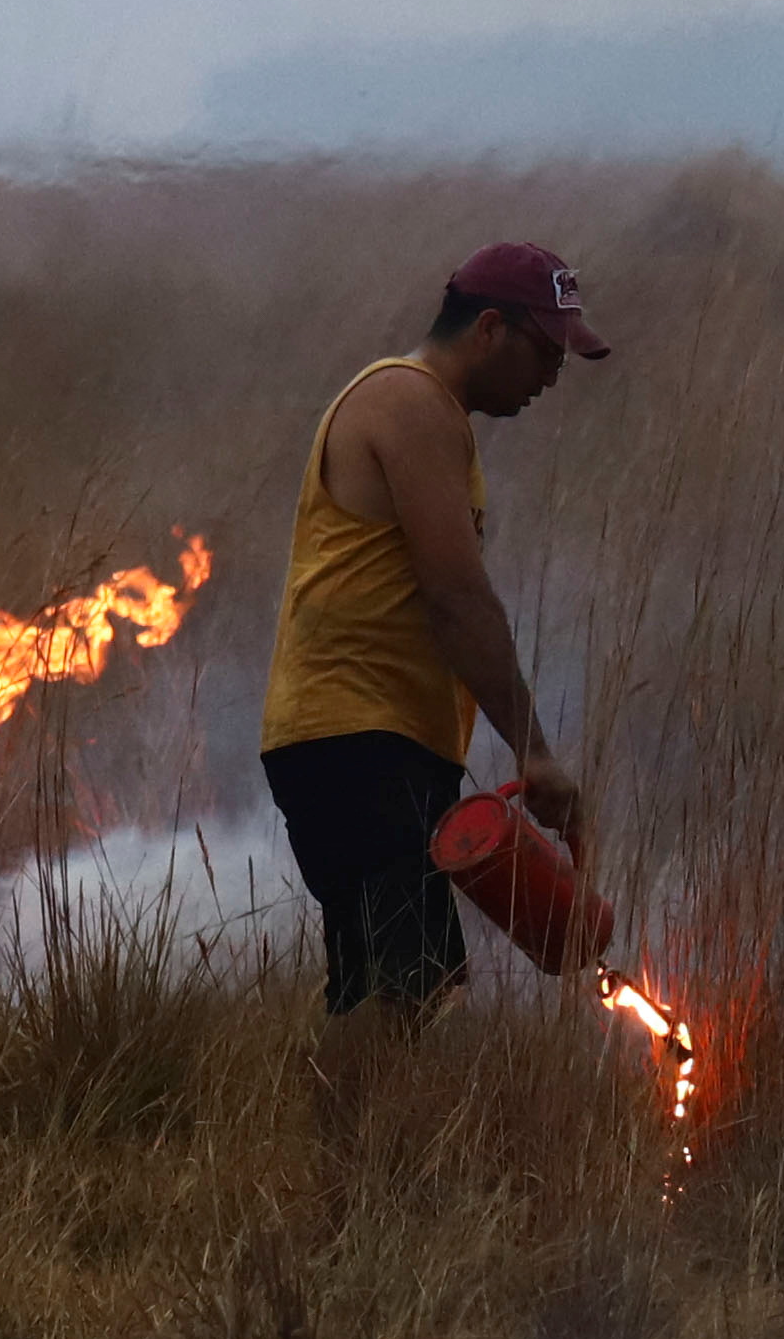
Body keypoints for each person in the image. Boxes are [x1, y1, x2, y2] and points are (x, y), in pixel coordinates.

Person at [257, 241, 609, 1014]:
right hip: (358, 734)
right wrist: (534, 750)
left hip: (368, 737)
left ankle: (350, 1138)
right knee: (407, 987)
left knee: (381, 987)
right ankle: (375, 1139)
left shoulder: (432, 415)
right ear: (490, 329)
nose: (553, 376)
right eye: (546, 350)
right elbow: (456, 596)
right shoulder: (409, 402)